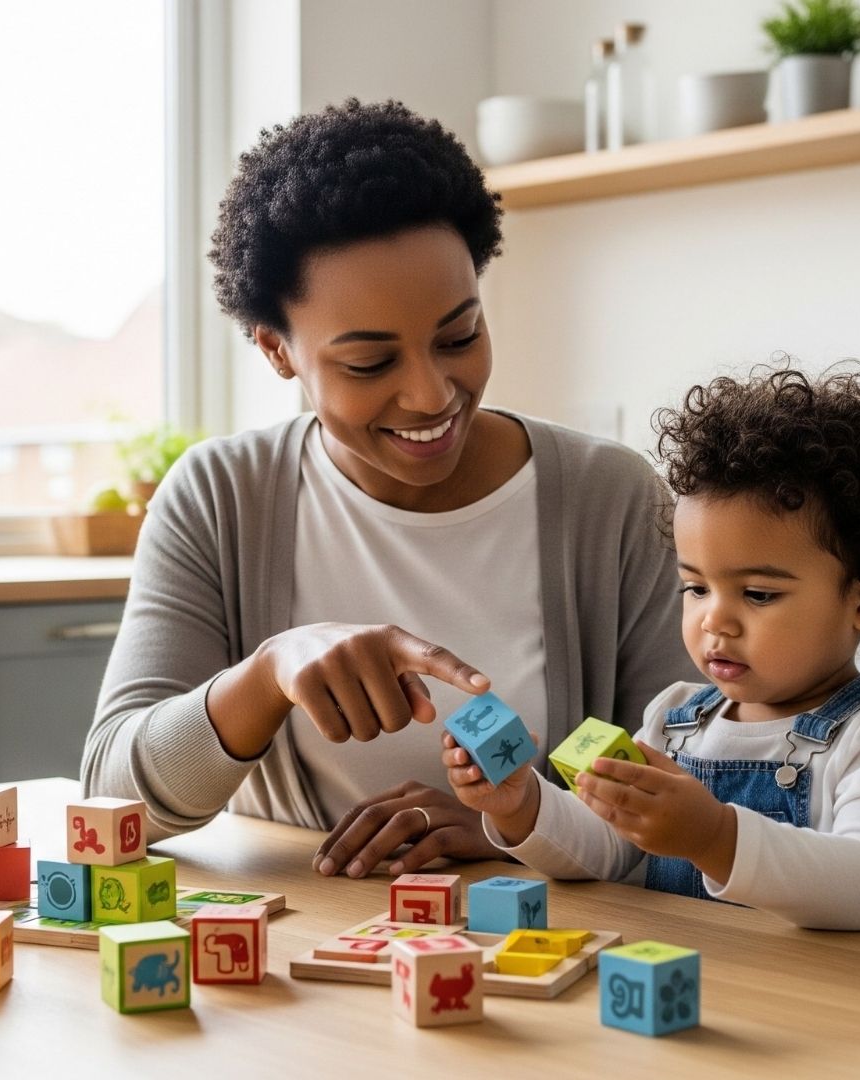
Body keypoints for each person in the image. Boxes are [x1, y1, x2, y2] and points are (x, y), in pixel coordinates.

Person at [81, 99, 695, 880]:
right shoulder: (220, 497)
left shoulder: (608, 498)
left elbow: (703, 786)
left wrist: (522, 820)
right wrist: (268, 675)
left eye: (459, 337)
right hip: (310, 954)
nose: (432, 394)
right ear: (277, 351)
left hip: (557, 952)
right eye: (370, 364)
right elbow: (111, 800)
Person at [446, 366, 860, 941]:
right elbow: (607, 847)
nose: (714, 619)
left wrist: (714, 837)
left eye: (759, 594)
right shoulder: (676, 718)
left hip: (852, 1011)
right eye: (695, 588)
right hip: (712, 996)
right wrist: (520, 805)